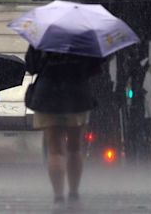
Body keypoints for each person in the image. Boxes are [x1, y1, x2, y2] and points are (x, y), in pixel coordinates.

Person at [25, 45, 105, 204]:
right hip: (77, 93)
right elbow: (95, 67)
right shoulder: (82, 37)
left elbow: (31, 66)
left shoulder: (44, 37)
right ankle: (74, 192)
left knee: (55, 150)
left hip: (48, 94)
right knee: (74, 148)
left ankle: (58, 195)